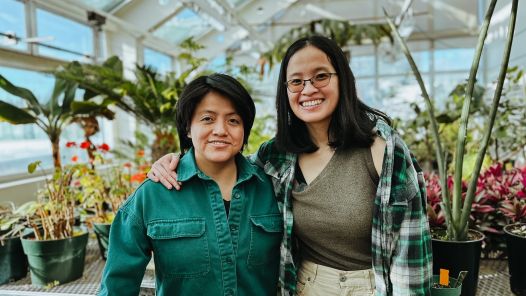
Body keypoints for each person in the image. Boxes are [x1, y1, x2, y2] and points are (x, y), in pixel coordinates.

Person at [148, 36, 433, 296]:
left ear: (342, 80)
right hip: (304, 286)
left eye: (320, 76)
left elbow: (411, 246)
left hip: (373, 287)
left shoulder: (382, 149)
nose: (308, 89)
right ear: (285, 91)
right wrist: (176, 161)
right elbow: (225, 162)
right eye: (296, 81)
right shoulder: (277, 156)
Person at [100, 73, 282, 296]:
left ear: (244, 130)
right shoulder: (152, 194)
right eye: (208, 119)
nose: (221, 130)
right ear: (188, 128)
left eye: (233, 120)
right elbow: (117, 286)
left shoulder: (273, 188)